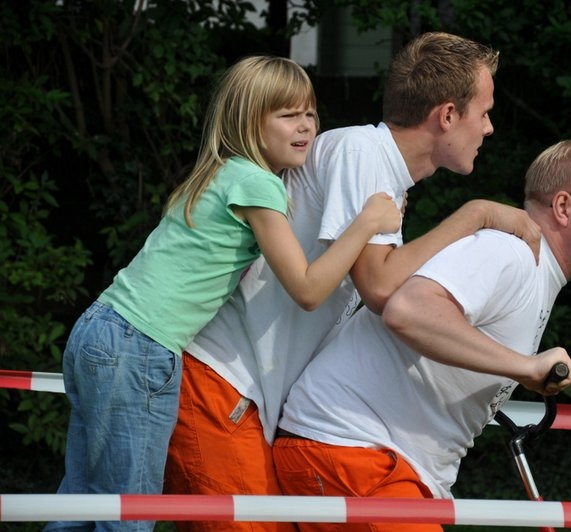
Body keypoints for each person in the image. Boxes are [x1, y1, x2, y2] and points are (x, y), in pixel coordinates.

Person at [163, 32, 541, 531]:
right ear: (447, 115)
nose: (490, 128)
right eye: (485, 113)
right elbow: (380, 289)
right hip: (221, 388)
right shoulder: (361, 152)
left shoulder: (378, 171)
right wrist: (475, 215)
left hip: (244, 400)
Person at [46, 56, 401, 532]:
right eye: (288, 115)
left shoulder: (220, 172)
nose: (306, 126)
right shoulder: (258, 185)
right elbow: (308, 289)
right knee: (128, 515)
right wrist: (367, 223)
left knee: (82, 505)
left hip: (100, 329)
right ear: (249, 122)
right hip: (140, 346)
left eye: (310, 113)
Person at [273, 138, 571, 532]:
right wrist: (524, 367)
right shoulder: (509, 253)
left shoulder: (535, 270)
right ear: (564, 206)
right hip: (354, 451)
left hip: (375, 463)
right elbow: (408, 311)